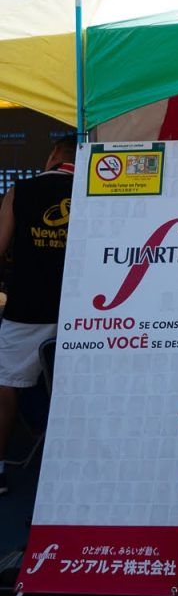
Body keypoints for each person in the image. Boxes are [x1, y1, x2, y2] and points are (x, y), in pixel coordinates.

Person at [0, 136, 76, 496]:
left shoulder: (20, 190)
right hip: (83, 311)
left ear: (53, 154)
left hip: (26, 309)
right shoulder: (99, 192)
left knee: (6, 387)